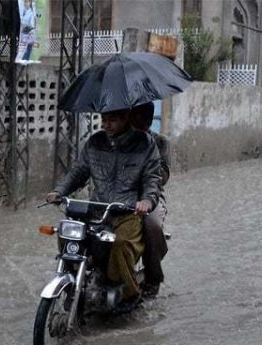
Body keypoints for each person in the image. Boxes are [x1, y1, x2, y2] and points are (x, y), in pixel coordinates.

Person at [45, 109, 162, 309]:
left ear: (126, 119)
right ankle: (74, 282)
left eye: (112, 120)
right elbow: (79, 172)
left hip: (127, 212)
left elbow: (152, 179)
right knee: (68, 234)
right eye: (104, 120)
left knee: (121, 243)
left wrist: (147, 201)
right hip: (96, 209)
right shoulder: (95, 142)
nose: (106, 125)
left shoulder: (145, 143)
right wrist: (59, 191)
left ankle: (127, 293)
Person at [129, 102, 170, 299]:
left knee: (151, 224)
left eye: (138, 118)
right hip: (121, 197)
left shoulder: (160, 142)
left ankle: (153, 278)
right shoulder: (122, 141)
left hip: (151, 198)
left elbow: (162, 176)